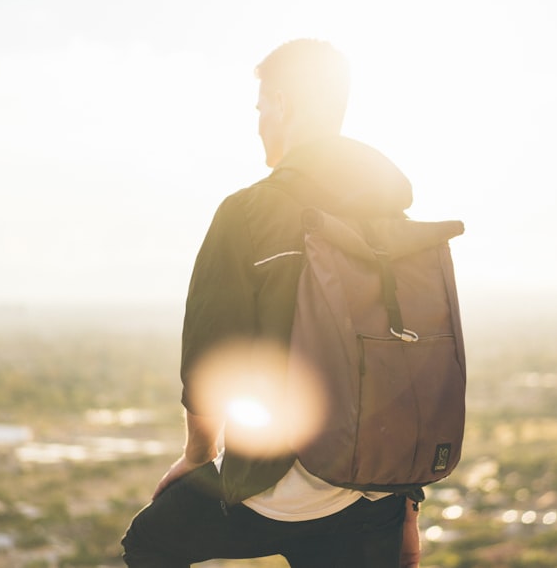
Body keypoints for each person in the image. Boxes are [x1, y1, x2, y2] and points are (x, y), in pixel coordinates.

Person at [121, 39, 422, 567]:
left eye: (261, 107)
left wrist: (197, 457)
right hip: (373, 495)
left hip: (274, 489)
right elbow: (409, 365)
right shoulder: (394, 222)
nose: (259, 121)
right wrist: (408, 507)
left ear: (282, 104)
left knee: (149, 542)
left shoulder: (247, 214)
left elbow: (209, 359)